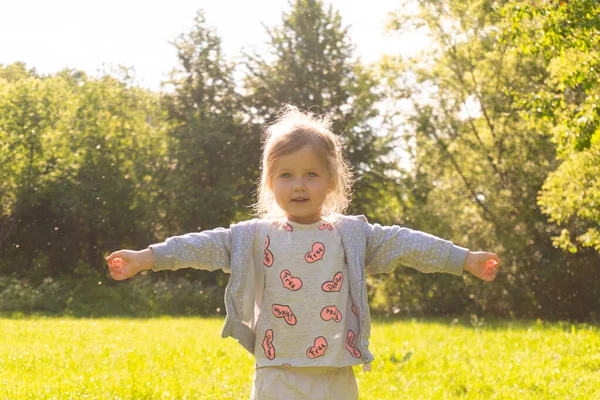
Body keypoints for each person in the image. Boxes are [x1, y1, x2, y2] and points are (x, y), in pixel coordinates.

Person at [106, 105, 501, 400]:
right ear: (270, 182)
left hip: (335, 373)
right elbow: (202, 245)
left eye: (311, 174)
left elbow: (407, 243)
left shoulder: (351, 235)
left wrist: (462, 258)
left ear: (331, 180)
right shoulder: (254, 236)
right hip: (278, 371)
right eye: (286, 175)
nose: (299, 185)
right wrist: (147, 257)